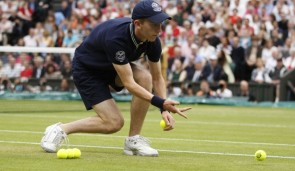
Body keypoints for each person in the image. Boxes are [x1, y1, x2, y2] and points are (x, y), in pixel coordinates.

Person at [41, 0, 191, 157]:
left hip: (113, 67)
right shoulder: (117, 38)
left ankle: (133, 140)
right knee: (114, 123)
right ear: (138, 24)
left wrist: (163, 108)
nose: (159, 30)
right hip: (88, 70)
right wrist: (160, 101)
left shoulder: (153, 41)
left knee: (145, 77)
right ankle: (60, 129)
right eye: (154, 24)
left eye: (161, 24)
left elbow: (157, 78)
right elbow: (129, 83)